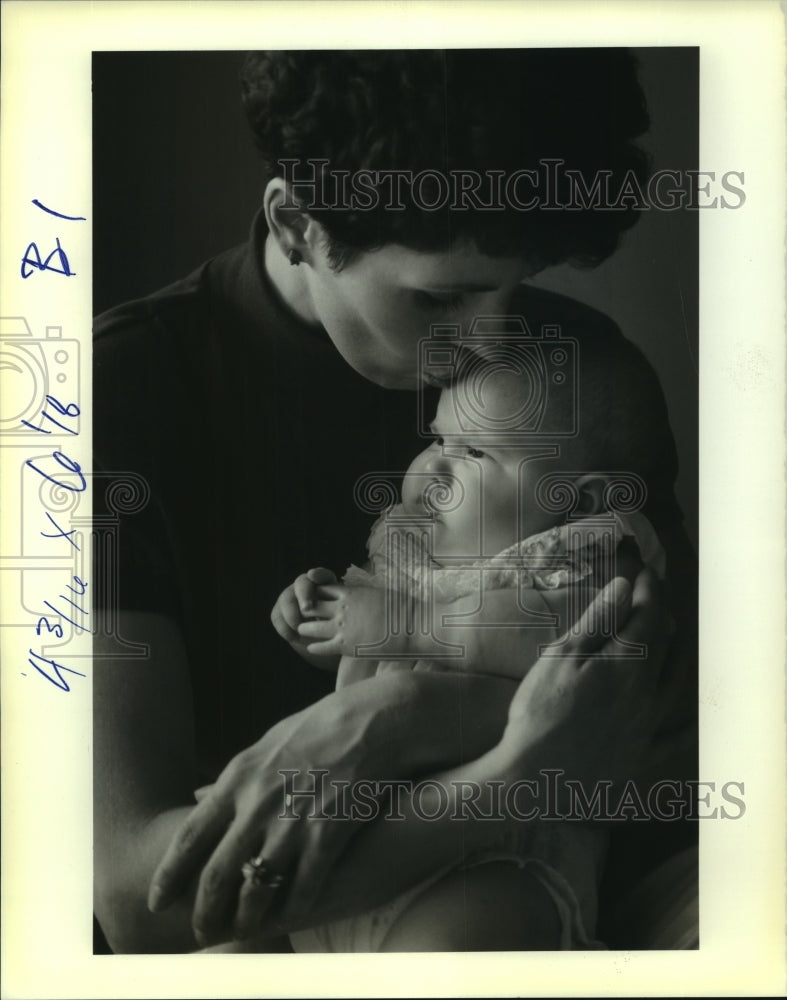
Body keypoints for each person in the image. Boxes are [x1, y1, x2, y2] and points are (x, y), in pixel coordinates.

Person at [92, 49, 696, 953]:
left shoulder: (570, 374)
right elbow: (139, 899)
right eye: (441, 297)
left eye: (515, 281)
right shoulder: (112, 396)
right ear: (297, 223)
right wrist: (514, 773)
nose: (489, 338)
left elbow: (643, 717)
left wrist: (385, 717)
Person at [272, 332, 676, 951]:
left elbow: (547, 643)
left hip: (494, 857)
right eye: (438, 438)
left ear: (578, 497)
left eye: (475, 453)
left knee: (443, 955)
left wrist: (402, 623)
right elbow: (365, 656)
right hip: (359, 850)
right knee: (222, 946)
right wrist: (321, 623)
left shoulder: (585, 553)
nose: (432, 466)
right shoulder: (415, 548)